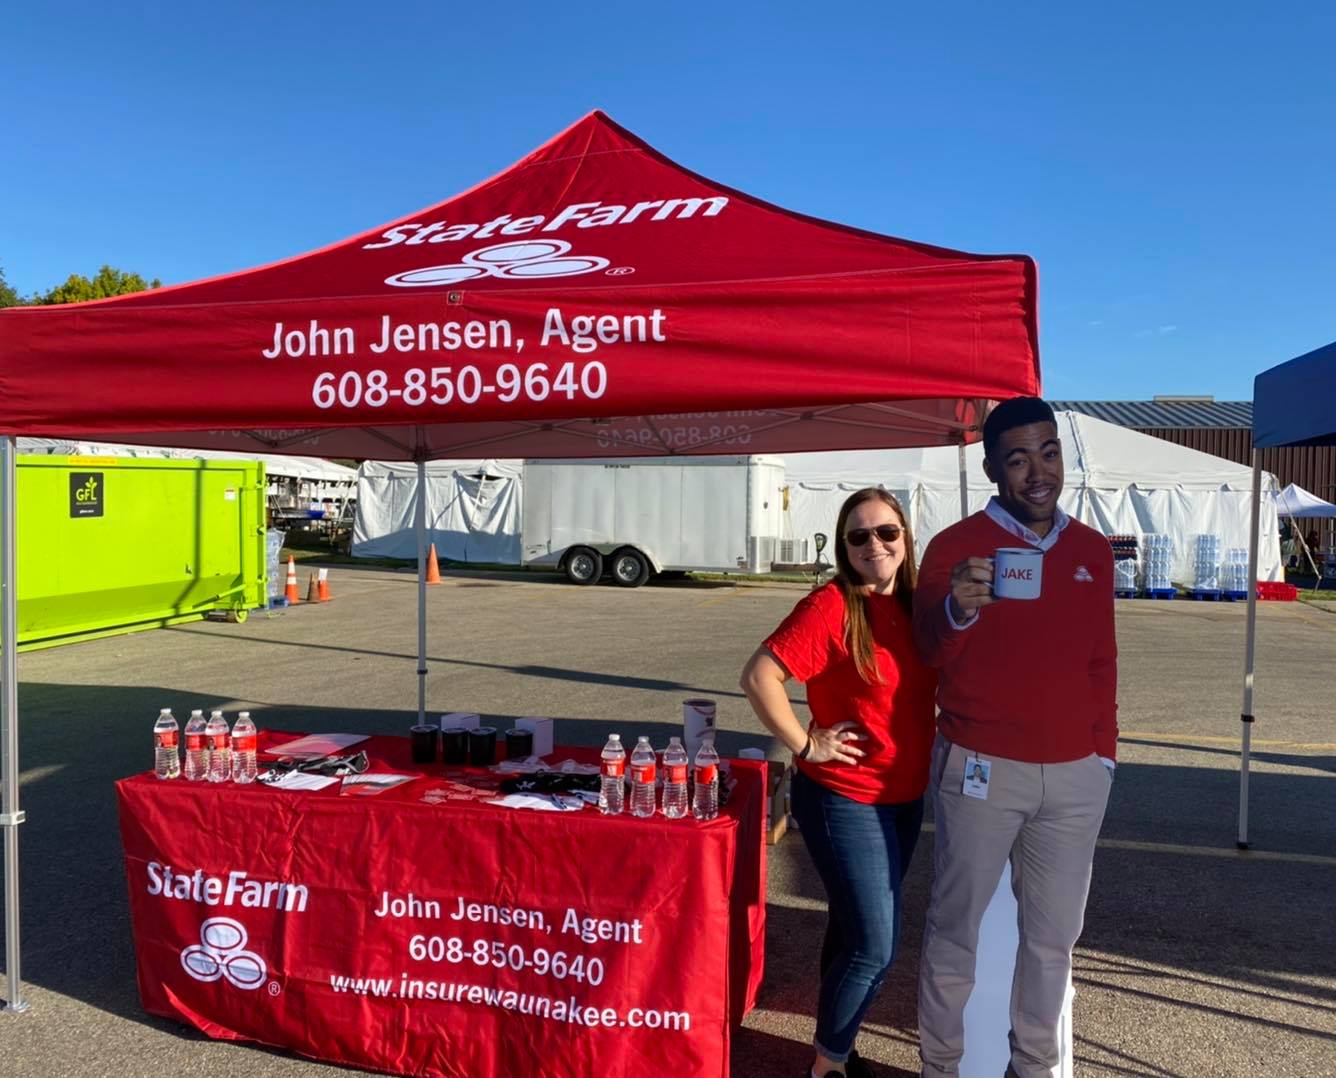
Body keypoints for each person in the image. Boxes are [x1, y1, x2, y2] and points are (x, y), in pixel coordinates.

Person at [913, 397, 1117, 1078]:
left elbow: (1101, 661)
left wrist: (1103, 759)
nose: (1038, 471)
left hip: (1073, 778)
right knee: (954, 931)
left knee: (1052, 943)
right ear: (993, 467)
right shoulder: (954, 548)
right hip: (981, 768)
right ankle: (940, 1068)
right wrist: (956, 610)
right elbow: (928, 651)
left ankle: (1033, 1068)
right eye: (1019, 457)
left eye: (1048, 451)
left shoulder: (1090, 549)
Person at [741, 488, 937, 1078]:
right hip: (843, 798)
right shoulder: (832, 606)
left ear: (905, 537)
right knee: (875, 947)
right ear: (843, 545)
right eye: (859, 535)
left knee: (853, 928)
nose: (874, 545)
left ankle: (838, 1050)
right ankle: (827, 1067)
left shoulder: (915, 604)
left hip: (902, 801)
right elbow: (759, 676)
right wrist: (805, 743)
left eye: (886, 532)